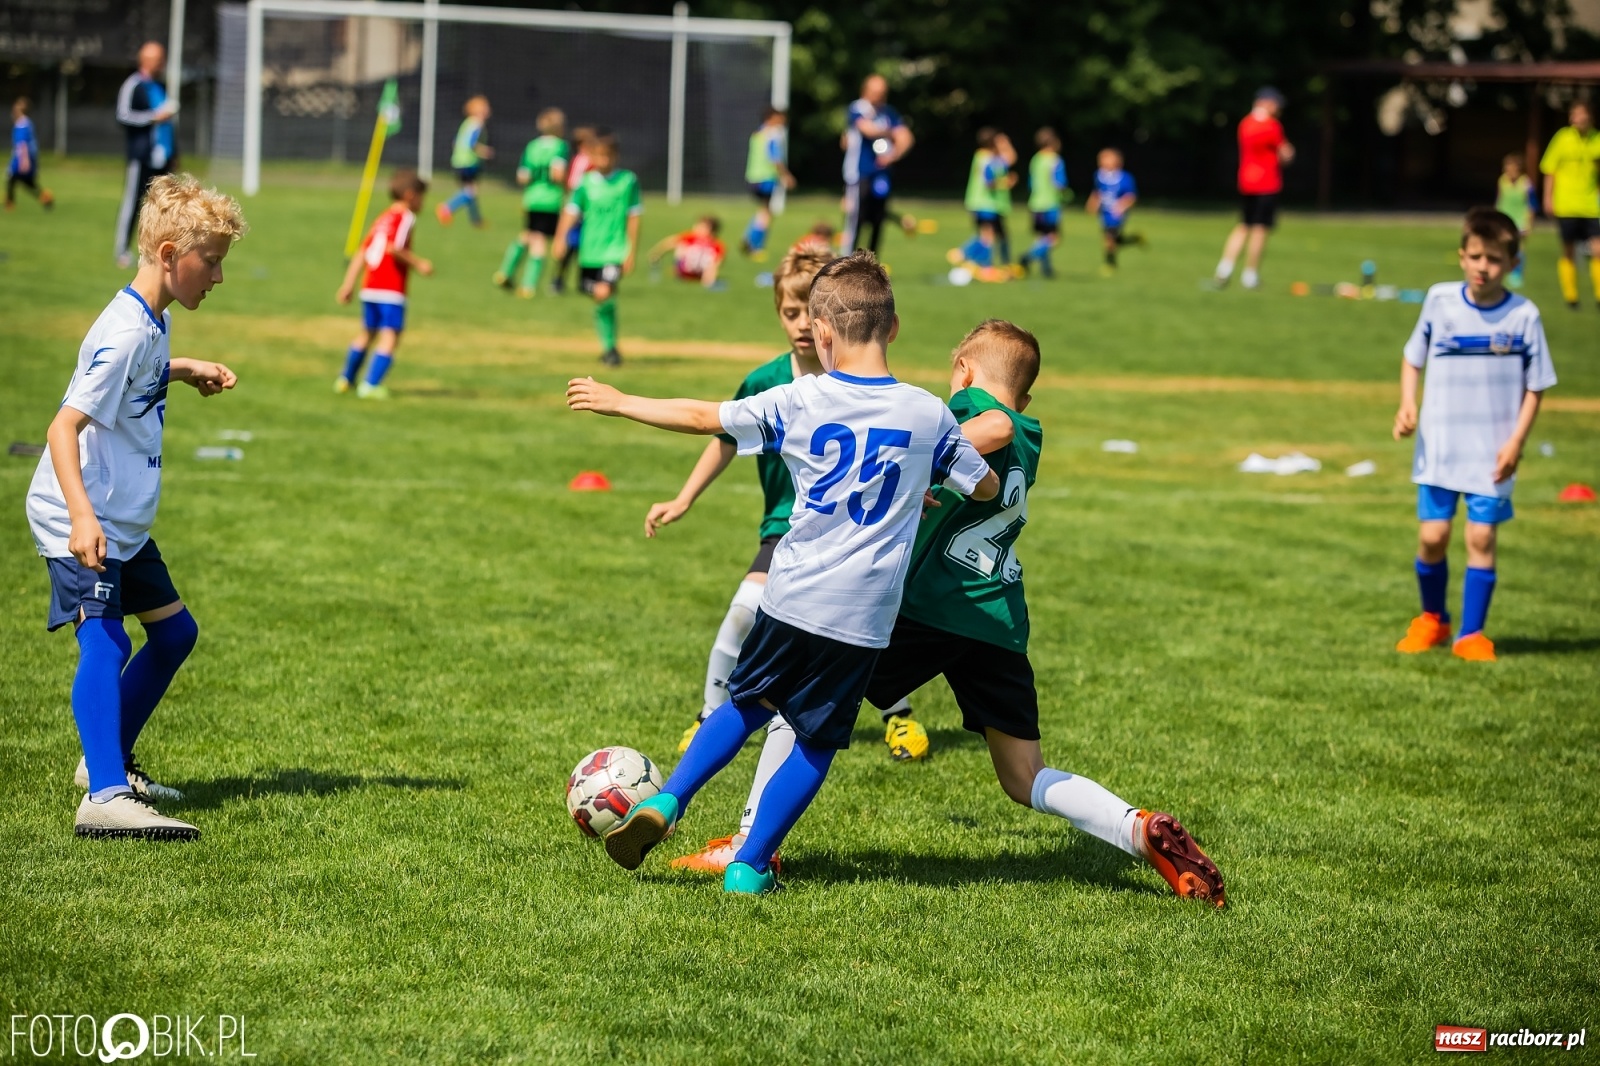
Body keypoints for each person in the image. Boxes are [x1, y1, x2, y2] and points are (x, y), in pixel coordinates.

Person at [670, 321, 1228, 906]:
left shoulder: (969, 409)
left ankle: (748, 846)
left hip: (923, 611)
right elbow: (1008, 427)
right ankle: (1137, 829)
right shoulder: (1033, 431)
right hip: (996, 621)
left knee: (794, 702)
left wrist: (918, 457)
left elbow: (991, 425)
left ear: (963, 368)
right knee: (1025, 777)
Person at [566, 251, 1000, 895]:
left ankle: (668, 800)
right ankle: (749, 865)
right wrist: (922, 480)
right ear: (895, 327)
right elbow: (985, 488)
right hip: (863, 615)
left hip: (791, 594)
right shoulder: (927, 413)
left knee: (745, 704)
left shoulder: (801, 398)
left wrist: (620, 400)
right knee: (814, 740)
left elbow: (700, 417)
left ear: (822, 333)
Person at [26, 174, 247, 840]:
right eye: (211, 263)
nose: (217, 277)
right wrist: (84, 519)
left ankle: (106, 759)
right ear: (171, 254)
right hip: (81, 516)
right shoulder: (122, 333)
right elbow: (62, 428)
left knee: (176, 633)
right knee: (107, 636)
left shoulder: (154, 318)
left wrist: (183, 368)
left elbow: (138, 377)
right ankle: (104, 794)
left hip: (120, 520)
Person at [643, 241, 917, 769]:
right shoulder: (767, 381)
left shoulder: (860, 380)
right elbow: (724, 433)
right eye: (789, 313)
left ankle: (897, 711)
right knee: (746, 613)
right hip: (786, 529)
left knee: (863, 630)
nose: (798, 324)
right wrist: (684, 497)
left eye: (807, 313)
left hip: (852, 531)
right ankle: (709, 714)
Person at [1393, 208, 1556, 663]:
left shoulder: (1524, 316)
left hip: (1492, 452)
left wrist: (1516, 442)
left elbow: (1537, 385)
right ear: (1462, 256)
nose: (1484, 267)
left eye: (1495, 259)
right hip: (1440, 448)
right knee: (1432, 537)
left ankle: (1471, 634)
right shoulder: (1439, 301)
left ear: (1512, 263)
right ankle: (1432, 619)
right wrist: (1408, 404)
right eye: (1476, 256)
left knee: (1481, 539)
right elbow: (1413, 358)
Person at [335, 171, 434, 399]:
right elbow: (394, 248)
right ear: (410, 196)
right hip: (391, 288)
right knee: (391, 335)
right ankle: (370, 385)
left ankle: (346, 379)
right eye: (422, 197)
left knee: (367, 333)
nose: (423, 203)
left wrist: (348, 284)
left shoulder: (383, 218)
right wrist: (420, 264)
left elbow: (362, 251)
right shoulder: (405, 217)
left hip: (370, 287)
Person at [552, 130, 640, 367]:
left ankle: (611, 349)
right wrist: (560, 238)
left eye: (607, 155)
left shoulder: (627, 181)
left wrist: (631, 250)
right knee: (592, 292)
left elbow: (633, 217)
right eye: (598, 155)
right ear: (591, 156)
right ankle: (607, 345)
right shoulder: (585, 183)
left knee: (603, 292)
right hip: (590, 252)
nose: (603, 160)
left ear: (615, 156)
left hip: (614, 250)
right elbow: (571, 211)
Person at [1212, 87, 1294, 290]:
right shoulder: (1272, 126)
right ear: (1265, 102)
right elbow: (1286, 153)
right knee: (1260, 229)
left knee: (1243, 225)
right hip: (1267, 183)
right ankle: (1250, 275)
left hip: (1247, 182)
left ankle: (1224, 269)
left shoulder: (1245, 124)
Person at [115, 42, 179, 269]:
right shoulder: (134, 85)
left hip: (163, 157)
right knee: (133, 202)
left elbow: (168, 125)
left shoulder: (160, 87)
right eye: (158, 59)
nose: (162, 63)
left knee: (165, 206)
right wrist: (152, 117)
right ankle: (122, 250)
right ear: (145, 60)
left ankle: (160, 252)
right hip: (141, 156)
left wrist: (174, 153)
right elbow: (123, 116)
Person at [496, 107, 570, 297]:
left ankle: (506, 270)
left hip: (531, 198)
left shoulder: (532, 146)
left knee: (528, 234)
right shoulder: (560, 147)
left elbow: (522, 177)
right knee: (540, 241)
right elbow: (557, 173)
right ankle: (528, 285)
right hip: (550, 200)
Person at [841, 75, 913, 255]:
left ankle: (872, 267)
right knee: (856, 219)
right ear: (866, 91)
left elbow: (907, 137)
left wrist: (893, 155)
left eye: (882, 93)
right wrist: (892, 133)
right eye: (876, 92)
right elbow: (868, 130)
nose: (879, 96)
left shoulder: (888, 112)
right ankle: (846, 263)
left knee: (878, 220)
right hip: (859, 173)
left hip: (882, 175)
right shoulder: (858, 108)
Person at [1539, 100, 1600, 310]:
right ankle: (1571, 297)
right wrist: (1548, 198)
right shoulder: (1562, 138)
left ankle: (1599, 295)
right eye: (1572, 114)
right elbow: (1549, 169)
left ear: (1589, 116)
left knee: (1598, 250)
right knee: (1568, 251)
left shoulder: (1597, 139)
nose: (1575, 118)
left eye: (1579, 114)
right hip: (1566, 204)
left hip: (1591, 205)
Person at [742, 107, 796, 260]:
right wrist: (786, 175)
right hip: (766, 178)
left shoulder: (757, 134)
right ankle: (754, 245)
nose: (782, 122)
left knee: (763, 210)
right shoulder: (773, 135)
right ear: (771, 118)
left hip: (753, 177)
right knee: (766, 212)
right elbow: (775, 158)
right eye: (780, 118)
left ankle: (749, 238)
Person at [961, 128, 1017, 267]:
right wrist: (1005, 143)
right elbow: (1010, 159)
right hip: (986, 203)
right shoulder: (988, 158)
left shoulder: (980, 155)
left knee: (994, 235)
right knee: (988, 236)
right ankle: (966, 255)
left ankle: (983, 263)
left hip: (981, 203)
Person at [550, 126, 595, 295]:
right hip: (578, 209)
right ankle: (559, 279)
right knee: (571, 246)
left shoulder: (585, 161)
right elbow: (574, 184)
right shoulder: (582, 161)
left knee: (584, 246)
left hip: (586, 210)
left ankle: (583, 281)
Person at [436, 95, 492, 227]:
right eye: (486, 108)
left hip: (459, 160)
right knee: (470, 191)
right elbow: (472, 143)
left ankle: (476, 220)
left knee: (470, 191)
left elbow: (456, 141)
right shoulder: (477, 123)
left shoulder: (466, 123)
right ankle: (446, 208)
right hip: (468, 162)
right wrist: (484, 151)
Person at [1019, 127, 1068, 278]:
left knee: (1042, 237)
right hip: (1050, 204)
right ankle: (1027, 256)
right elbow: (1059, 183)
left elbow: (1030, 183)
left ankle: (1046, 270)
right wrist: (1065, 193)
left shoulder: (1035, 159)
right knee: (1054, 238)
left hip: (1035, 204)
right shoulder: (1055, 160)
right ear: (1053, 142)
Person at [1086, 148, 1142, 273]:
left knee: (1109, 239)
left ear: (1117, 161)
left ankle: (1110, 264)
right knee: (1114, 240)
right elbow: (1097, 192)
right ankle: (1135, 239)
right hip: (1104, 213)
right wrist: (1092, 203)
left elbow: (1131, 197)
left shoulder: (1125, 178)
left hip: (1117, 214)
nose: (1102, 162)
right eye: (1100, 159)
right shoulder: (1099, 176)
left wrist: (1122, 206)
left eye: (1106, 159)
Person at [646, 216, 726, 289]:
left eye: (701, 226)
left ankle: (708, 282)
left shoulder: (716, 245)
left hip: (701, 273)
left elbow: (717, 263)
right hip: (685, 269)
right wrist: (657, 252)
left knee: (711, 261)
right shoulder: (691, 238)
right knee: (682, 246)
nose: (696, 228)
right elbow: (670, 242)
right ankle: (682, 273)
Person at [1495, 153, 1535, 289]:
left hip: (1520, 220)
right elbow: (1499, 199)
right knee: (1501, 245)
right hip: (1505, 218)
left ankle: (1517, 274)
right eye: (1507, 168)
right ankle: (1502, 269)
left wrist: (1529, 223)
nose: (1509, 171)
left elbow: (1531, 205)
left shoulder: (1526, 183)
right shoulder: (1502, 181)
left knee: (1518, 248)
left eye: (1512, 168)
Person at [7, 97, 53, 211]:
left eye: (17, 105)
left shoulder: (22, 124)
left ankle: (10, 204)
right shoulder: (26, 122)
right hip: (27, 156)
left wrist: (24, 160)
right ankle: (45, 197)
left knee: (13, 178)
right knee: (25, 181)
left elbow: (23, 144)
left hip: (23, 157)